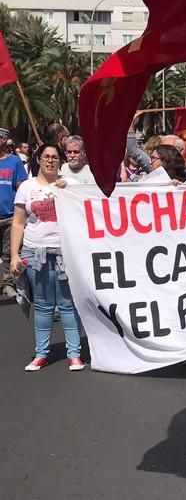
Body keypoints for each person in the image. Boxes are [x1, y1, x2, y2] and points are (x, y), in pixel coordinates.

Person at [10, 144, 85, 372]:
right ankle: (41, 354)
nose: (50, 161)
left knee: (67, 305)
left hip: (65, 252)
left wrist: (69, 192)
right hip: (35, 253)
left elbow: (87, 211)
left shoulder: (71, 184)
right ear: (39, 159)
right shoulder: (26, 187)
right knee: (42, 306)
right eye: (46, 157)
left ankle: (75, 354)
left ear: (59, 161)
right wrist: (14, 254)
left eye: (54, 157)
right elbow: (19, 222)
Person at [0, 127, 28, 298]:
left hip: (10, 216)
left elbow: (21, 188)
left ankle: (8, 284)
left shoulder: (15, 162)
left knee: (9, 252)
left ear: (3, 140)